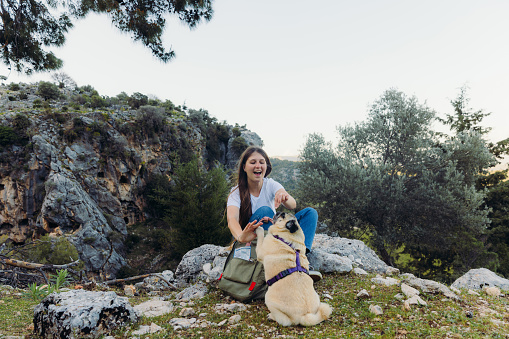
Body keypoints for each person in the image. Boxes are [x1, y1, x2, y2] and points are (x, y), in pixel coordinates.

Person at [226, 146, 322, 282]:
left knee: (310, 213)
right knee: (266, 211)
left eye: (262, 162)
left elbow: (292, 205)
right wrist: (241, 236)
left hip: (275, 237)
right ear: (244, 167)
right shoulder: (236, 192)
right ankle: (282, 266)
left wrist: (283, 195)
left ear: (266, 166)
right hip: (253, 239)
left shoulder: (270, 184)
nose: (258, 166)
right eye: (253, 162)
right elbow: (232, 220)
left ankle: (300, 260)